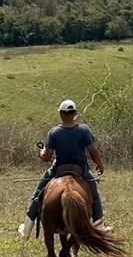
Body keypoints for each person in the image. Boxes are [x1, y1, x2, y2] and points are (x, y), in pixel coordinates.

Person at [18, 99, 109, 239]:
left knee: (37, 195)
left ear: (61, 114)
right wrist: (100, 164)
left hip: (58, 170)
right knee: (94, 196)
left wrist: (41, 152)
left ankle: (27, 228)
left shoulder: (54, 132)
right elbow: (93, 151)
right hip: (81, 170)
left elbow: (47, 157)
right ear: (75, 115)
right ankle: (100, 225)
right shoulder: (84, 130)